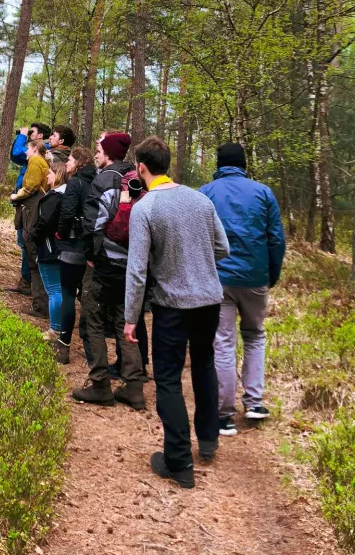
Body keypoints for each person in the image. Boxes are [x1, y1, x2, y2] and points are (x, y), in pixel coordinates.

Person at [125, 136, 230, 489]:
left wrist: (129, 317)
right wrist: (198, 266)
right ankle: (209, 441)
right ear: (166, 164)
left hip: (172, 306)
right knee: (204, 364)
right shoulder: (200, 199)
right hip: (210, 300)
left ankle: (180, 463)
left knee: (168, 378)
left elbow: (137, 270)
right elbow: (223, 247)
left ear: (141, 167)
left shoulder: (145, 209)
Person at [200, 143, 286, 435]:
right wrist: (269, 275)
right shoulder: (263, 192)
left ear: (219, 163)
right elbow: (276, 239)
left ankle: (224, 414)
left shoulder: (207, 192)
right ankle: (254, 402)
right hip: (255, 277)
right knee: (254, 337)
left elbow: (199, 239)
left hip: (219, 279)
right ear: (244, 164)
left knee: (223, 342)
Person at [72, 131, 147, 411]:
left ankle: (100, 384)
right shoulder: (138, 178)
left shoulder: (104, 179)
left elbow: (93, 224)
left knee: (93, 319)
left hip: (104, 264)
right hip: (132, 266)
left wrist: (91, 257)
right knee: (124, 323)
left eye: (99, 149)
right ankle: (134, 387)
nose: (96, 153)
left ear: (109, 153)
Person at [55, 146, 96, 364]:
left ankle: (63, 345)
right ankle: (92, 351)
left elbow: (67, 213)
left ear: (79, 162)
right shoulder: (98, 181)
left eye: (70, 160)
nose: (67, 163)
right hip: (93, 248)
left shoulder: (75, 183)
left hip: (73, 245)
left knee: (68, 293)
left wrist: (60, 235)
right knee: (88, 297)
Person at [9, 123, 52, 295]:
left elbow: (17, 154)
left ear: (40, 136)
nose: (28, 136)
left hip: (31, 205)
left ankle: (29, 282)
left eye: (32, 133)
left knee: (28, 242)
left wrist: (22, 135)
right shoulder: (38, 154)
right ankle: (27, 281)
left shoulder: (40, 153)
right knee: (25, 242)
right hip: (27, 204)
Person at [32, 160, 70, 351]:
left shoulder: (54, 197)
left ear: (58, 175)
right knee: (60, 289)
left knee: (54, 290)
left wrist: (33, 235)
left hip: (50, 248)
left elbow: (45, 221)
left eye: (49, 173)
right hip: (61, 248)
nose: (47, 176)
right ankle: (61, 326)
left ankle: (55, 329)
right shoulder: (67, 195)